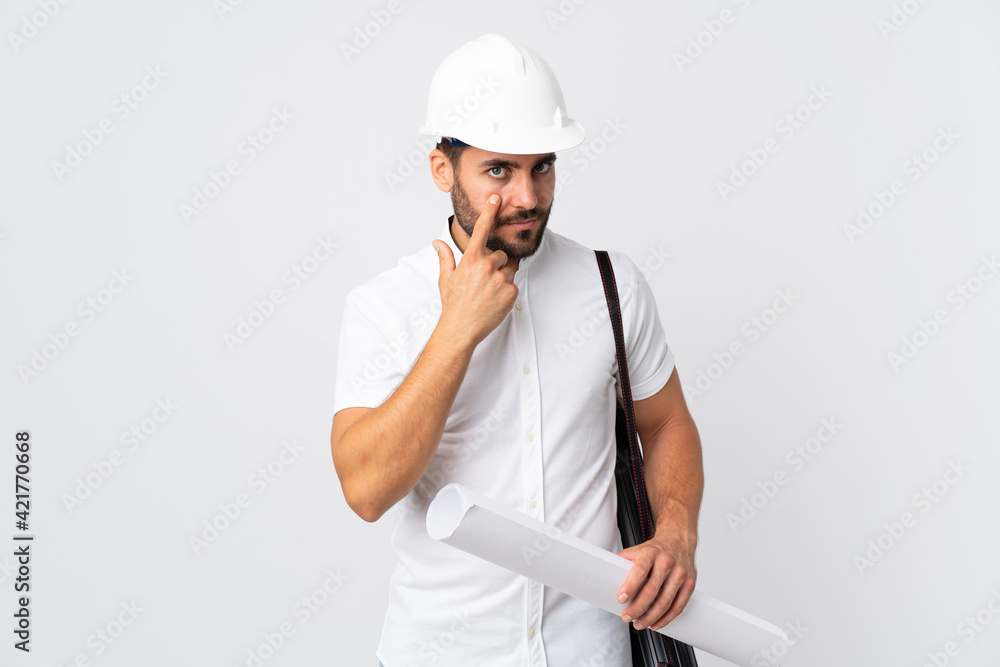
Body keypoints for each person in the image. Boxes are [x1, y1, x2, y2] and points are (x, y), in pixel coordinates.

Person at [331, 34, 704, 667]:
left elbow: (667, 422)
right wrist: (456, 332)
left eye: (543, 166)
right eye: (499, 170)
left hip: (592, 649)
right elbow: (366, 490)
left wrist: (675, 533)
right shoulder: (384, 306)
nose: (529, 197)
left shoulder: (612, 285)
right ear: (442, 170)